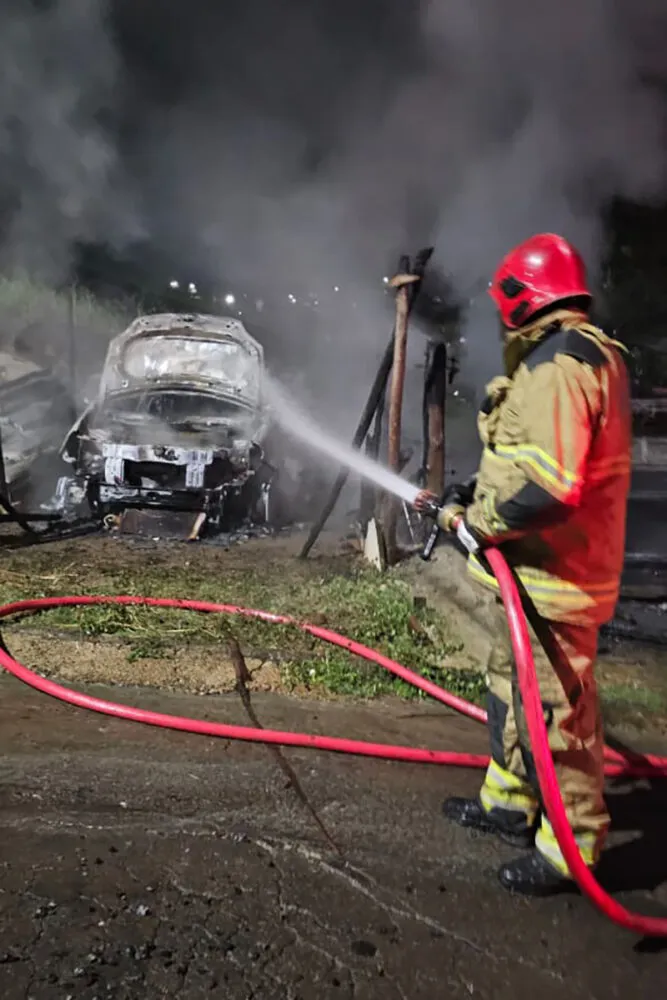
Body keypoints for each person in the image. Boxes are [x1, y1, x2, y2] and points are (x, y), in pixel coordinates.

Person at [417, 233, 632, 896]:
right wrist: (468, 496)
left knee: (554, 714)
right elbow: (524, 467)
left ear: (519, 297)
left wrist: (472, 525)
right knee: (511, 688)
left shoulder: (557, 367)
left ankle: (573, 849)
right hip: (535, 579)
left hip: (554, 582)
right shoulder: (576, 355)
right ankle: (509, 801)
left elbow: (550, 487)